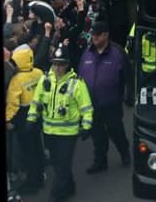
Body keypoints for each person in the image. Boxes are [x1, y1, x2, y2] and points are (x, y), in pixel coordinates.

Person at [27, 43, 93, 202]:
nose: (57, 67)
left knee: (62, 165)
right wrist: (31, 119)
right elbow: (36, 102)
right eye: (55, 63)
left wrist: (87, 126)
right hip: (49, 132)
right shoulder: (44, 80)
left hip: (68, 134)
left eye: (61, 64)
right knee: (58, 164)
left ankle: (56, 195)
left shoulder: (77, 83)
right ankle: (69, 186)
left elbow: (86, 107)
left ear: (67, 65)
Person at [78, 19, 131, 173]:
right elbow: (81, 74)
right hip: (91, 104)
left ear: (105, 35)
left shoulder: (118, 52)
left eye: (97, 35)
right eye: (92, 34)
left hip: (111, 103)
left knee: (116, 130)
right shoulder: (87, 53)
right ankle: (100, 161)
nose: (93, 38)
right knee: (97, 135)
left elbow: (127, 75)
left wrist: (128, 97)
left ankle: (124, 152)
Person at [5, 44, 45, 194]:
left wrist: (8, 120)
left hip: (23, 119)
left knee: (28, 152)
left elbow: (13, 104)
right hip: (38, 115)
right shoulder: (38, 72)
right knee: (37, 147)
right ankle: (40, 177)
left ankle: (32, 183)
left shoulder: (16, 80)